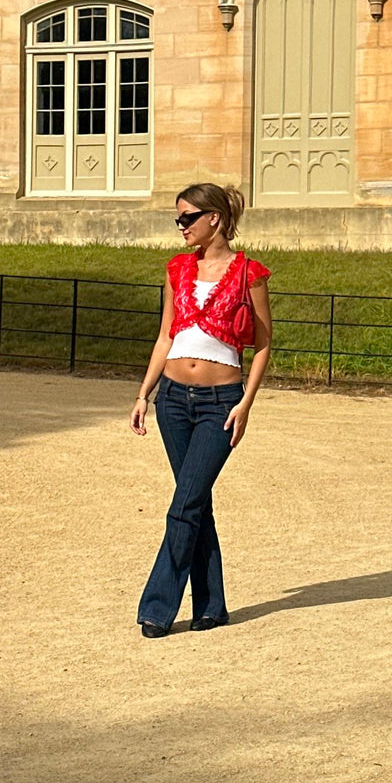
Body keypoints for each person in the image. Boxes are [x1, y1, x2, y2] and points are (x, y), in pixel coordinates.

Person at [129, 183, 272, 638]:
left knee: (185, 502)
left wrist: (247, 403)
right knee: (196, 503)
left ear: (214, 218)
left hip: (220, 404)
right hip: (173, 400)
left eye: (187, 218)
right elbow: (165, 336)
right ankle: (211, 605)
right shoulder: (176, 270)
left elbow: (264, 344)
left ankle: (156, 606)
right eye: (178, 219)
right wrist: (144, 395)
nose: (181, 227)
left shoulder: (250, 273)